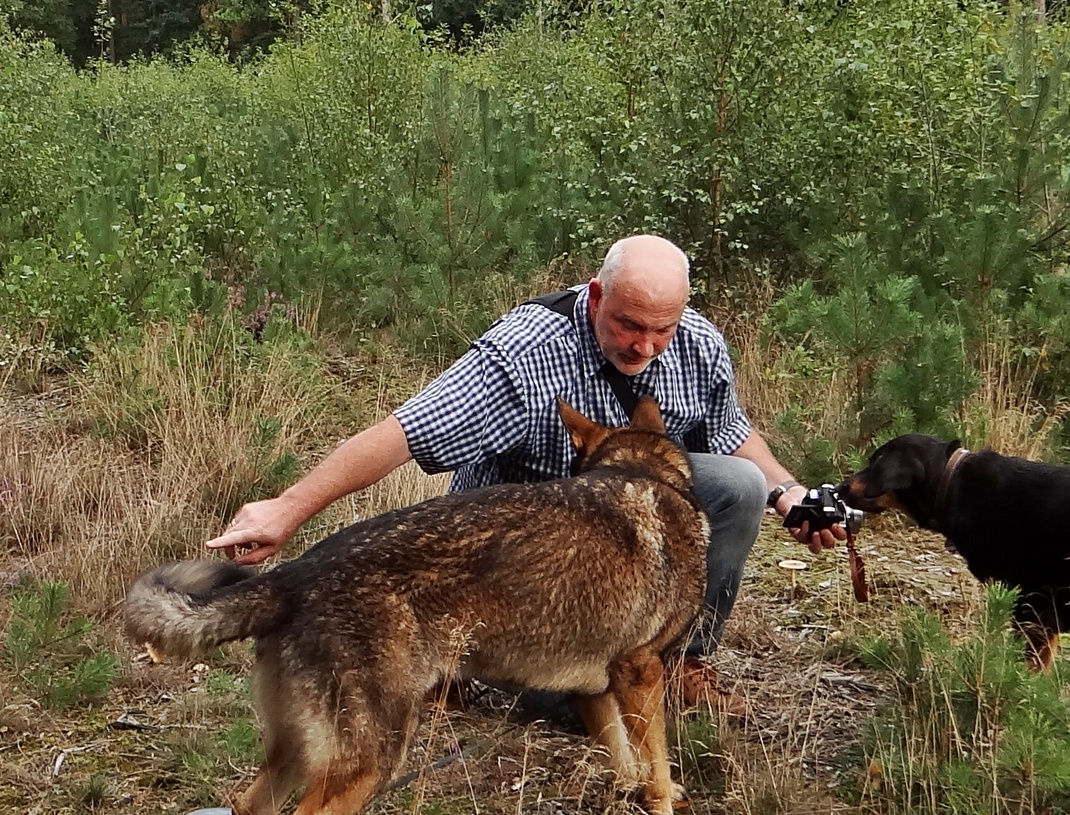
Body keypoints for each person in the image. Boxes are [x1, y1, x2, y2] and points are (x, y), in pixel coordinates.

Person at [208, 234, 843, 712]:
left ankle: (678, 661)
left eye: (661, 329)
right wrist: (287, 509)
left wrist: (790, 496)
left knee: (739, 486)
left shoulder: (698, 344)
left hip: (610, 542)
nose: (644, 346)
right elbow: (404, 433)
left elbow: (733, 435)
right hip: (516, 550)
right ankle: (467, 668)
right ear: (595, 296)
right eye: (627, 324)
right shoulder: (525, 351)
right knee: (560, 708)